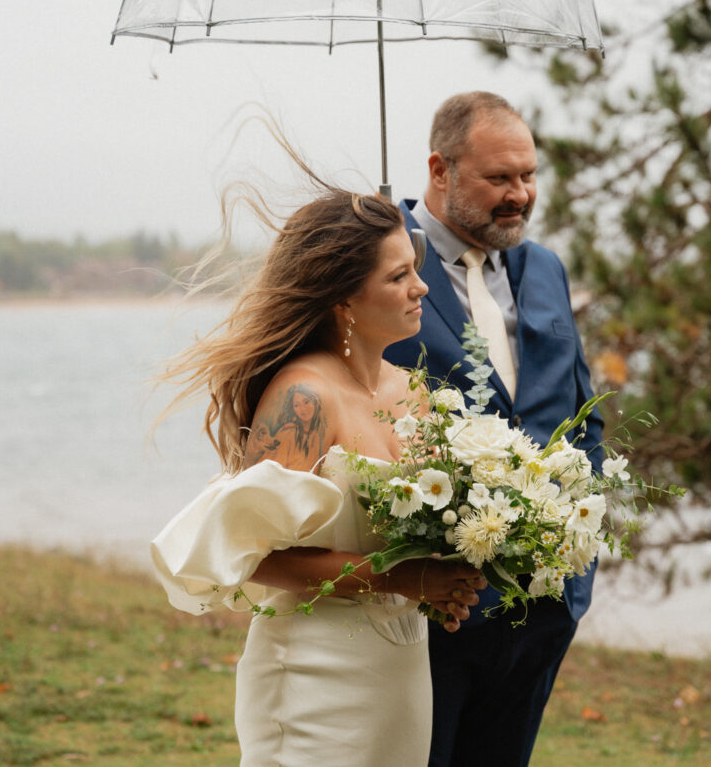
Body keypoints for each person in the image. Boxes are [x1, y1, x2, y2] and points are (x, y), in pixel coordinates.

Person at [150, 177, 486, 766]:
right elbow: (259, 557)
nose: (421, 287)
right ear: (344, 300)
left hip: (402, 668)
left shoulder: (413, 393)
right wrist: (405, 580)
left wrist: (460, 562)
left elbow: (415, 537)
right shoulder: (303, 398)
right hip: (314, 676)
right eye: (398, 275)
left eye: (415, 267)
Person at [384, 91, 605, 767]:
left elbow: (580, 411)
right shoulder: (380, 260)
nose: (521, 195)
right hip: (435, 609)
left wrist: (579, 564)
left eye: (529, 175)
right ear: (439, 169)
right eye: (499, 178)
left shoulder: (545, 268)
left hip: (544, 609)